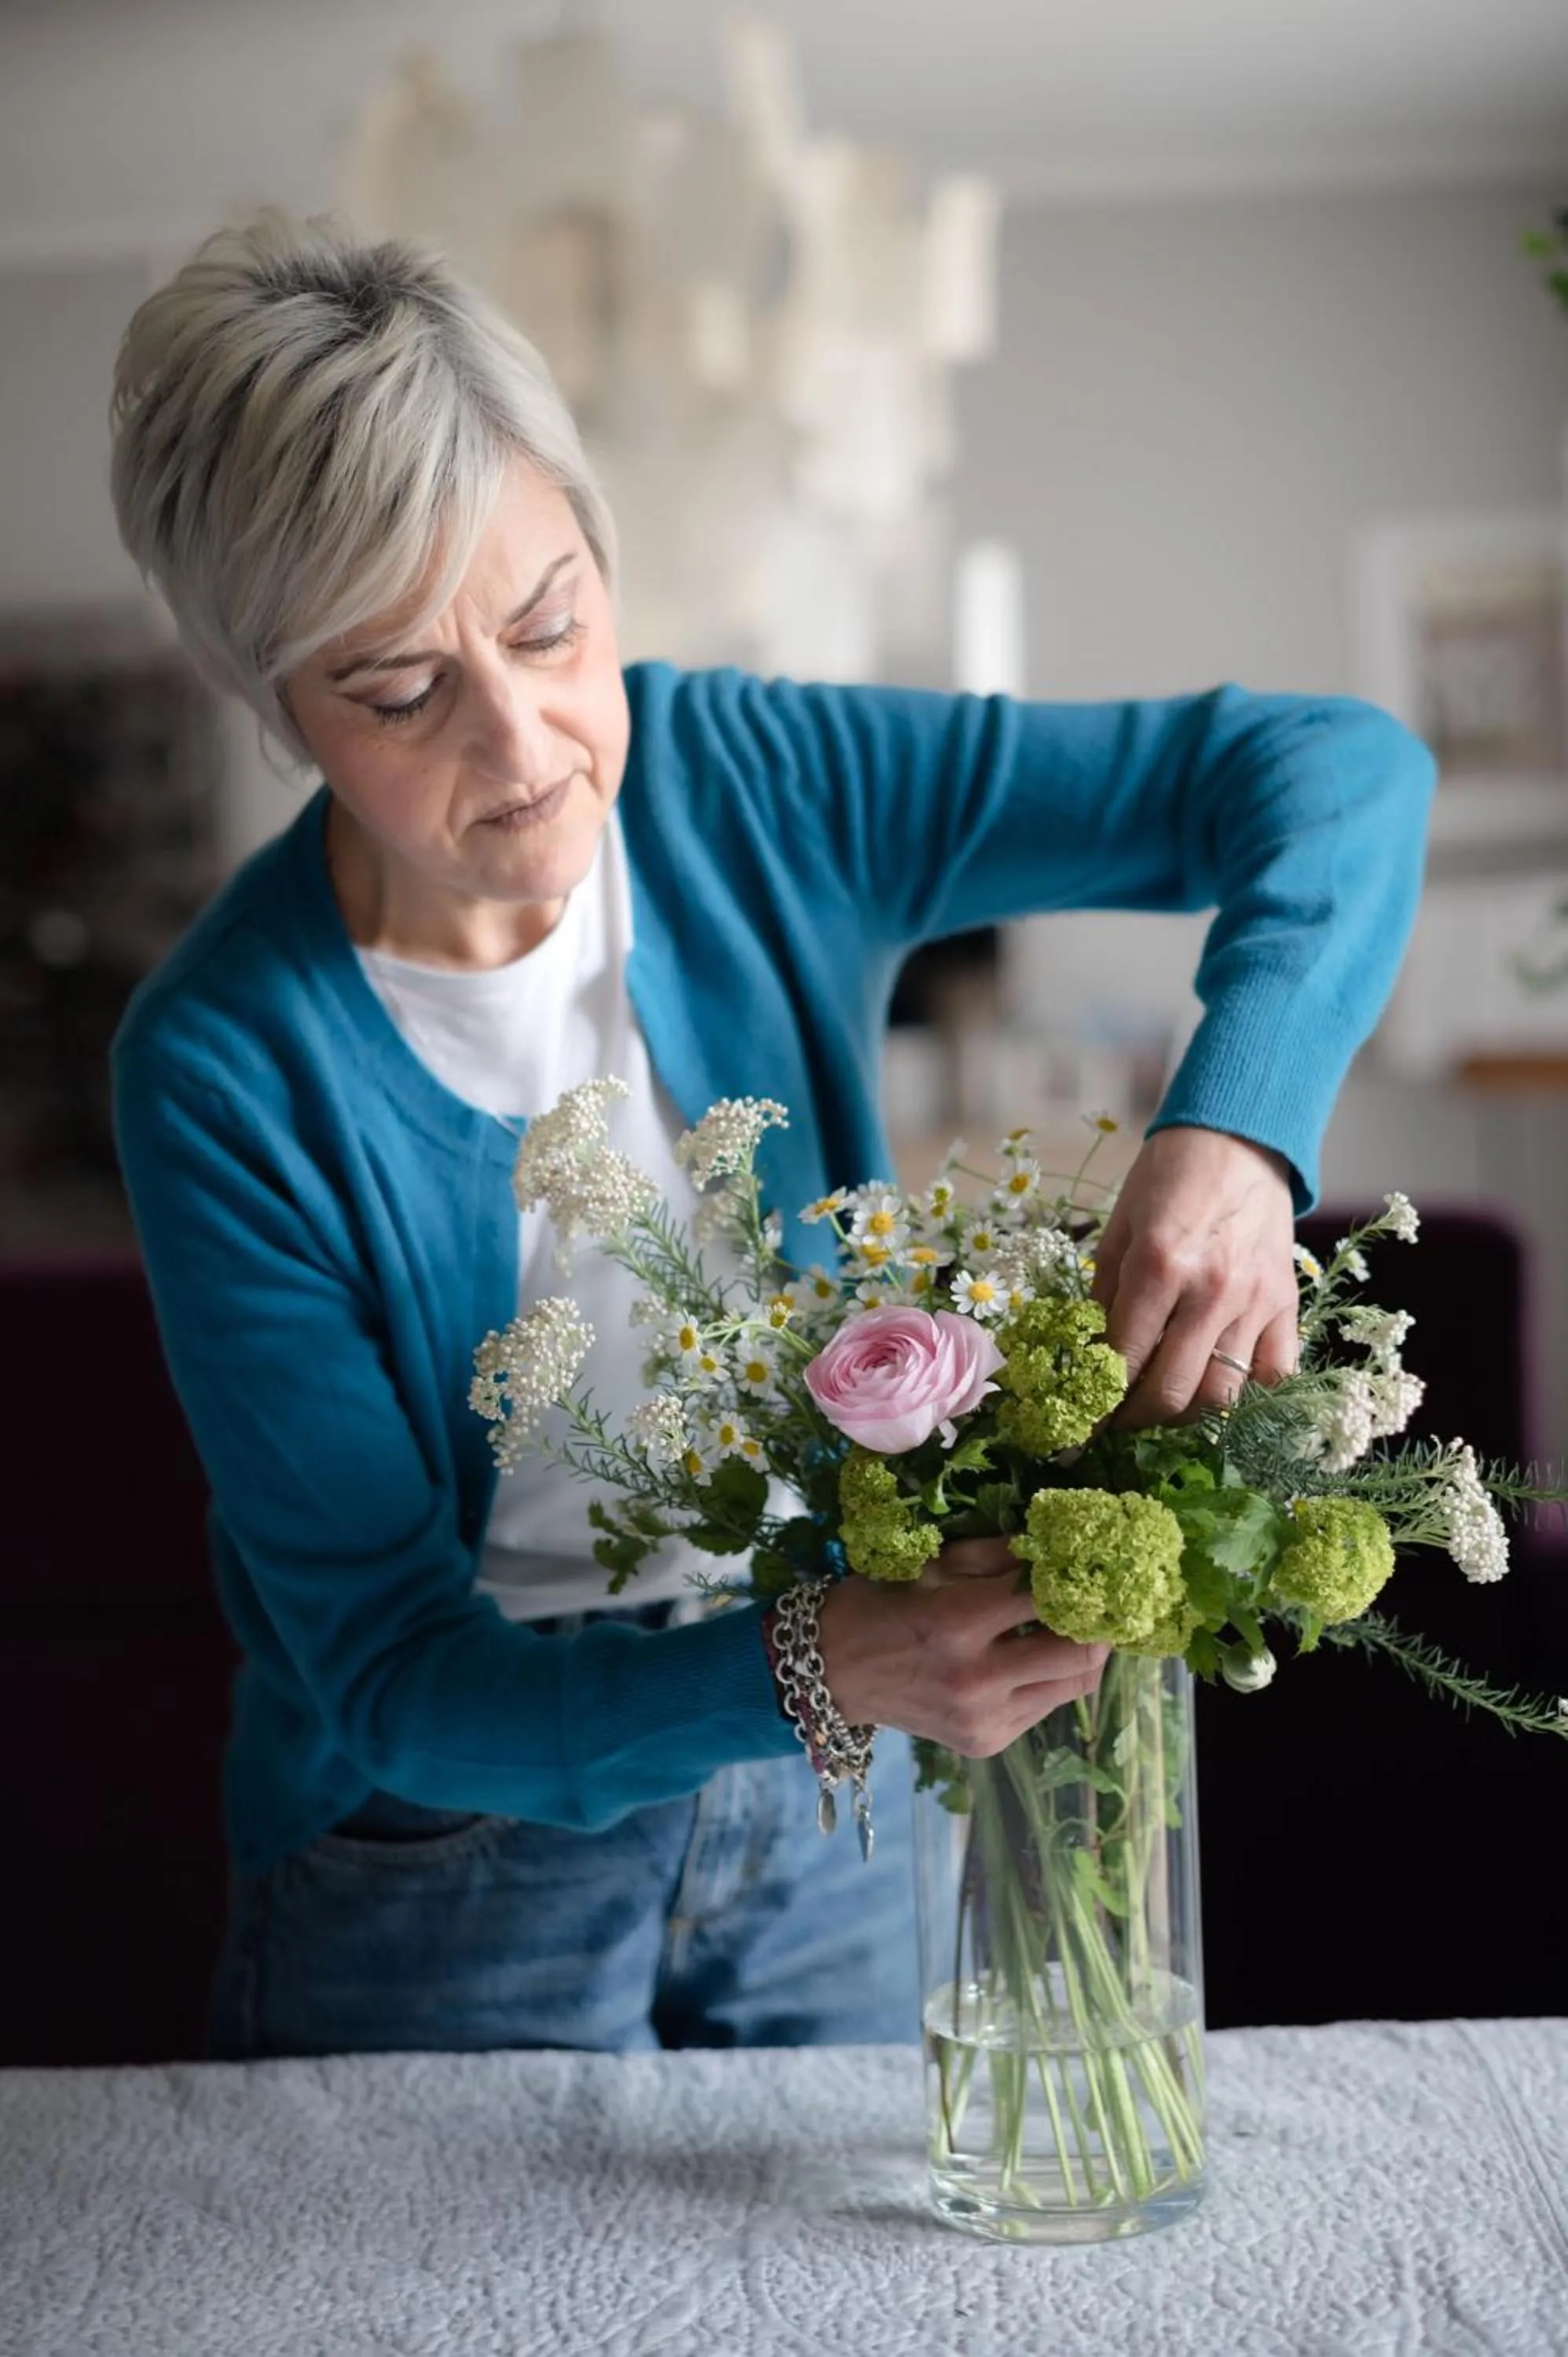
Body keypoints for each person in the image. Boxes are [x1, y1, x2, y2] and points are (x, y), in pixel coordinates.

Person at [107, 207, 1434, 2062]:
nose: (525, 746)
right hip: (437, 1872)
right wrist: (812, 1663)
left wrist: (1237, 1137)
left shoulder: (747, 781)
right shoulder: (224, 1071)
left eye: (548, 620)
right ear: (275, 702)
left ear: (600, 552)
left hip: (837, 1804)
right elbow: (393, 1679)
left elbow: (1333, 770)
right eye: (397, 692)